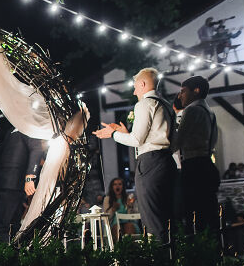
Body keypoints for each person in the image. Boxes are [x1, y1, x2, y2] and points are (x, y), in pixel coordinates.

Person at [94, 68, 176, 243]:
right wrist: (126, 132)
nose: (134, 91)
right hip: (167, 162)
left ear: (143, 84)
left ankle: (159, 260)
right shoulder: (166, 105)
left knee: (152, 216)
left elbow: (137, 140)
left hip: (150, 164)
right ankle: (174, 257)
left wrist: (113, 135)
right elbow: (168, 141)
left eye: (135, 87)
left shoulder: (144, 104)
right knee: (167, 215)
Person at [0, 119, 44, 242]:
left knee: (1, 227)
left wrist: (30, 177)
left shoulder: (30, 127)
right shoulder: (11, 130)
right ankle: (13, 257)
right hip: (6, 183)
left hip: (12, 184)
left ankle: (1, 258)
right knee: (13, 226)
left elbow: (36, 150)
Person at [173, 75, 220, 233]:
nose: (180, 95)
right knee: (209, 215)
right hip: (207, 164)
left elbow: (178, 140)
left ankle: (197, 254)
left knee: (193, 215)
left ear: (196, 91)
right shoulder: (209, 112)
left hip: (194, 167)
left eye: (183, 91)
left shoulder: (192, 110)